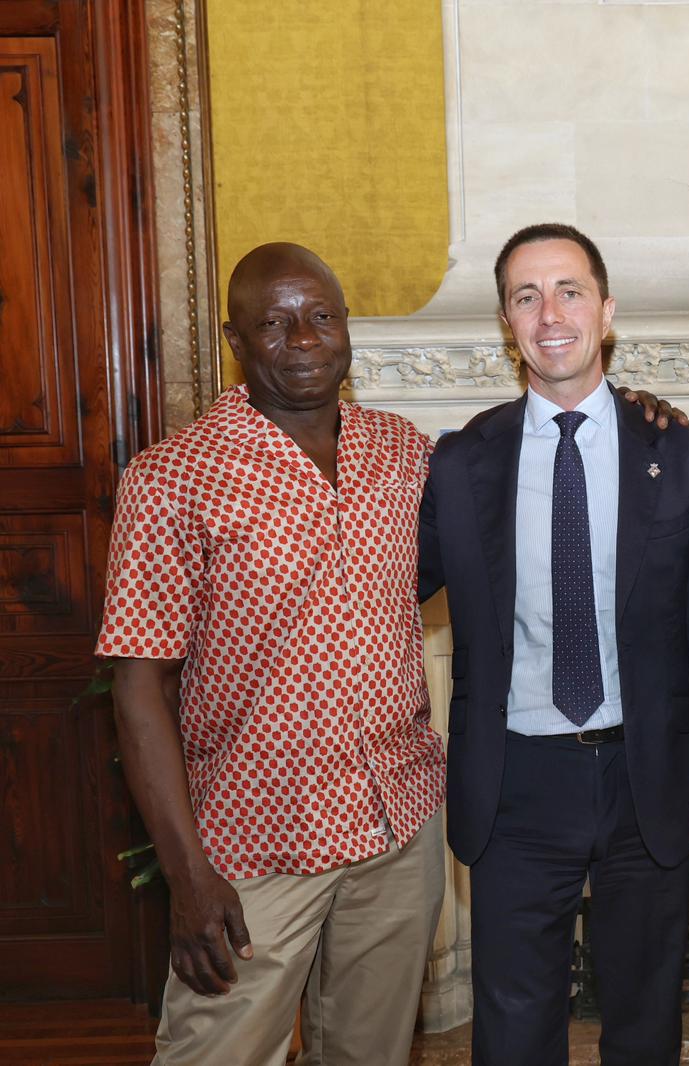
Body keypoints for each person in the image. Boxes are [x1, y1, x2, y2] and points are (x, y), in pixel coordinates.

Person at [97, 243, 448, 1066]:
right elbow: (138, 685)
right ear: (236, 339)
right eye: (275, 322)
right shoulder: (173, 477)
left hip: (399, 828)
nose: (303, 338)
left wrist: (629, 406)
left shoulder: (405, 455)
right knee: (211, 1055)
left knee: (371, 1055)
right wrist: (187, 876)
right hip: (252, 846)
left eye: (321, 316)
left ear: (346, 326)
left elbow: (525, 470)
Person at [417, 222, 689, 1065]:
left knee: (643, 1023)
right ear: (505, 322)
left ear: (606, 312)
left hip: (650, 781)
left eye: (569, 291)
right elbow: (388, 588)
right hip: (517, 782)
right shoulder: (459, 464)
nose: (549, 312)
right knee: (515, 1031)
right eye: (526, 296)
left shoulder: (682, 450)